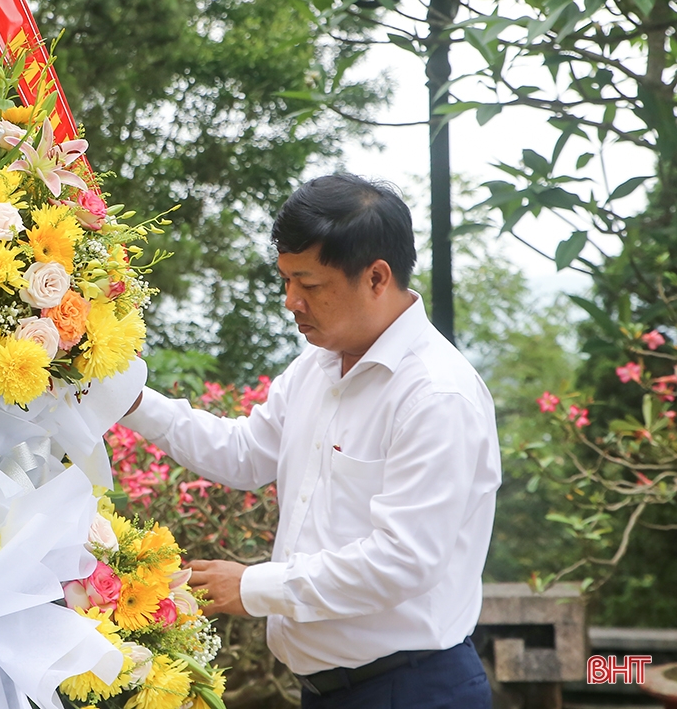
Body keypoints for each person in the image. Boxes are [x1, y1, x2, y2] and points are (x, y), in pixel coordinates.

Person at [120, 173, 500, 708]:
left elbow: (403, 560)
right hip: (328, 691)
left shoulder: (437, 395)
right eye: (286, 279)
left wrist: (252, 588)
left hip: (414, 689)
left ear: (376, 277)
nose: (290, 301)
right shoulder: (317, 365)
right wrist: (130, 400)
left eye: (310, 284)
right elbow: (246, 453)